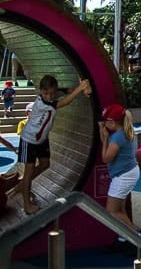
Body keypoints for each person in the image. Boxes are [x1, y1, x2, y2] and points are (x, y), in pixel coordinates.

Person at [18, 76, 91, 214]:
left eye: (52, 93)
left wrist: (80, 87)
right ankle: (27, 204)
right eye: (46, 94)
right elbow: (64, 102)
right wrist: (80, 88)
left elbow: (67, 91)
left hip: (42, 139)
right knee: (29, 169)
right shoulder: (42, 103)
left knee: (45, 164)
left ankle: (22, 185)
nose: (49, 96)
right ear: (41, 91)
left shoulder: (52, 95)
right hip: (29, 139)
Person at [98, 104, 141, 237]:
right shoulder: (125, 131)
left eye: (105, 121)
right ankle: (126, 238)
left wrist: (105, 138)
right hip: (129, 172)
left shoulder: (117, 137)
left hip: (124, 176)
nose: (104, 124)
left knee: (112, 211)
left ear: (111, 122)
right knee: (120, 209)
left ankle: (136, 238)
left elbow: (106, 158)